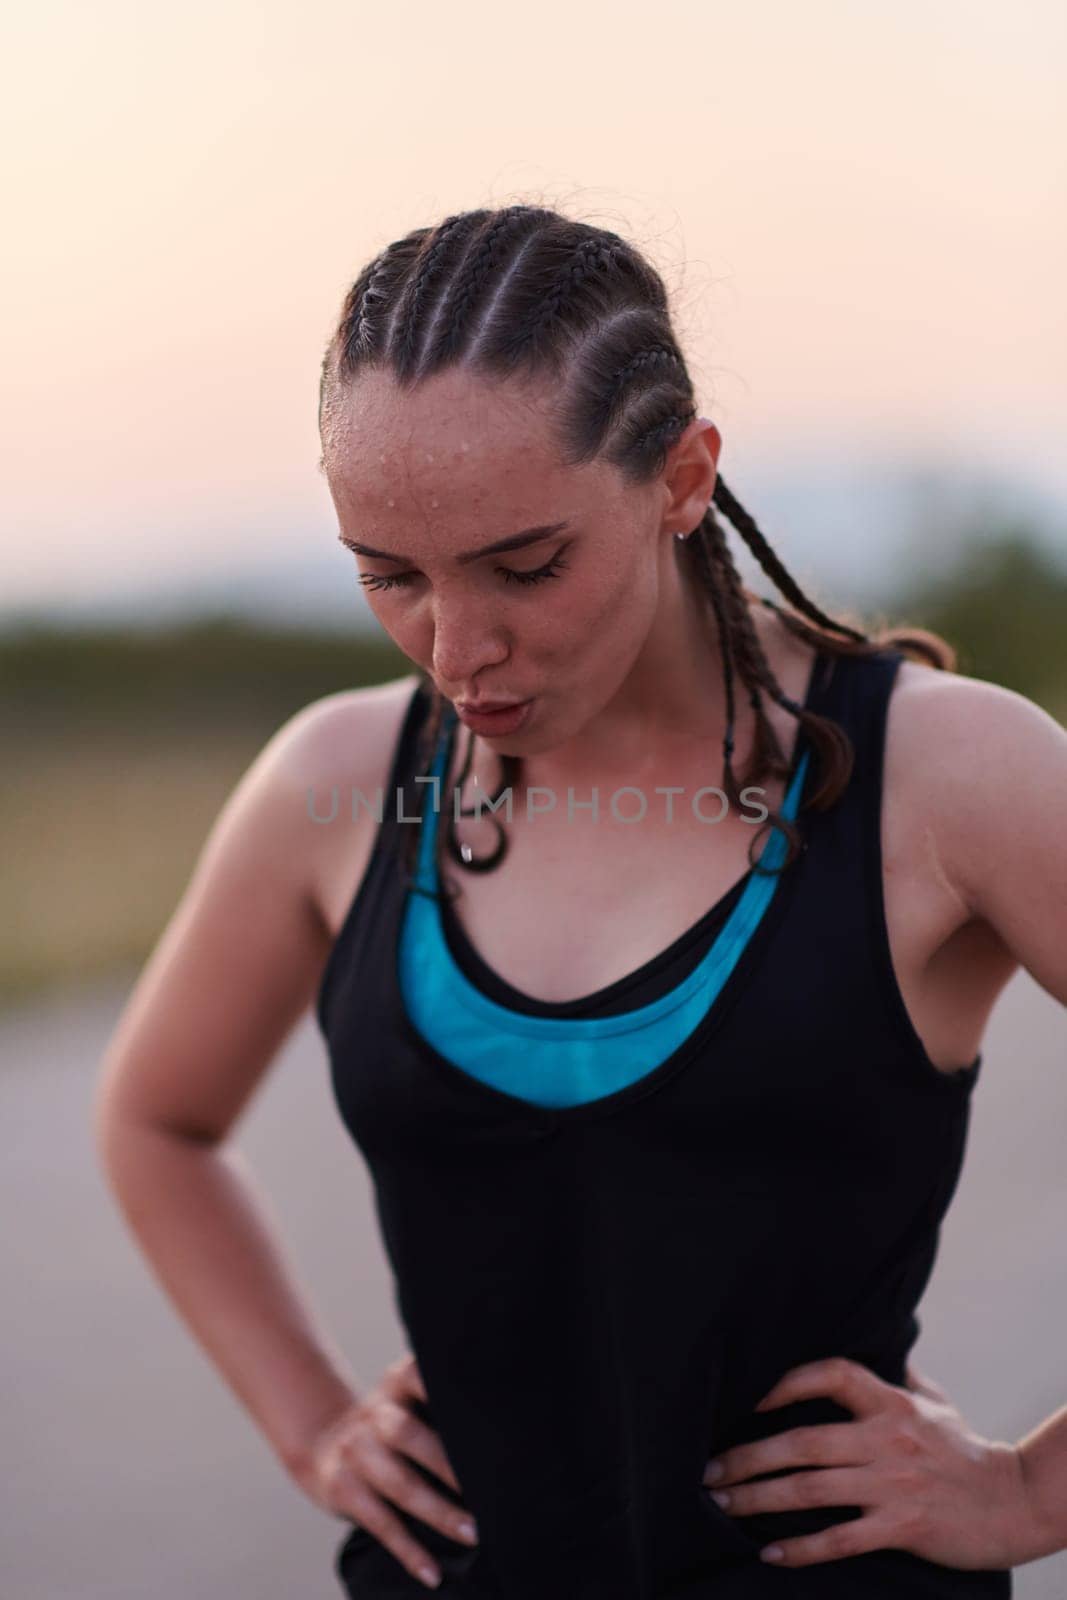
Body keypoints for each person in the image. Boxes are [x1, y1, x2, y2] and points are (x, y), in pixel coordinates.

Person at [94, 204, 1067, 1599]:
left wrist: (1030, 1486)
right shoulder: (344, 780)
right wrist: (312, 1427)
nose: (459, 646)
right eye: (389, 576)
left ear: (682, 480)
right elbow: (153, 1120)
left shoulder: (949, 775)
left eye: (526, 564)